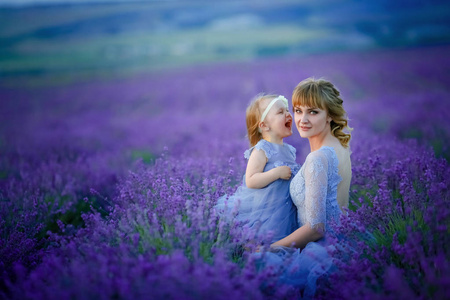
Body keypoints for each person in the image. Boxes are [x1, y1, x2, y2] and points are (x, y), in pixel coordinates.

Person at [257, 78, 352, 298]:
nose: (302, 120)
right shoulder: (341, 148)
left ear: (329, 115)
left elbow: (316, 227)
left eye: (313, 112)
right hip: (344, 242)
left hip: (321, 250)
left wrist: (269, 248)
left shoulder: (318, 157)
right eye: (298, 111)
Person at [215, 94, 300, 242]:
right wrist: (276, 173)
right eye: (281, 112)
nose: (288, 114)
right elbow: (251, 180)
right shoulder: (262, 149)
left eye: (287, 110)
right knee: (263, 236)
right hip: (267, 210)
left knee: (283, 236)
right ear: (264, 126)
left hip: (286, 209)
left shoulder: (289, 150)